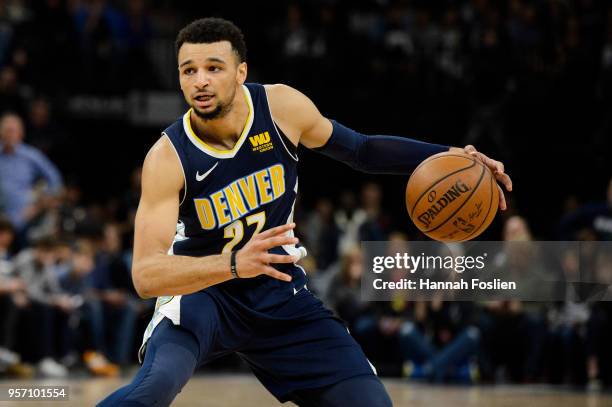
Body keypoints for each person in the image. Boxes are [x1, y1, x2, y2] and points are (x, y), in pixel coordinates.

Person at [99, 17, 512, 407]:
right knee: (151, 391)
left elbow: (363, 150)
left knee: (369, 403)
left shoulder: (280, 108)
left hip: (278, 290)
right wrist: (234, 264)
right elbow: (146, 274)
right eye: (188, 70)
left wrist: (453, 157)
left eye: (213, 67)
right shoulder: (168, 156)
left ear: (241, 72)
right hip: (202, 294)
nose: (200, 80)